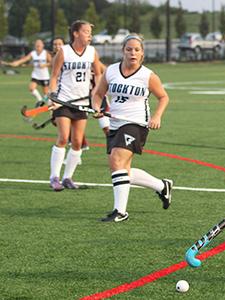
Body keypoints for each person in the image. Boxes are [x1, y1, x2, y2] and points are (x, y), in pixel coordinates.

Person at [92, 34, 172, 222]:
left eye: (137, 50)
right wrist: (97, 108)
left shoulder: (148, 75)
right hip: (115, 124)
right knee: (120, 169)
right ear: (123, 51)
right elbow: (98, 94)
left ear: (142, 53)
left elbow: (164, 97)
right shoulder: (111, 71)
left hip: (136, 124)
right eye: (129, 49)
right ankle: (162, 186)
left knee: (117, 160)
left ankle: (120, 212)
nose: (133, 53)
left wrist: (157, 116)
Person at [48, 20, 102, 191]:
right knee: (64, 137)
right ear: (76, 33)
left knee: (78, 142)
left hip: (81, 102)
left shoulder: (92, 52)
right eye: (86, 31)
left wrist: (96, 97)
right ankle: (54, 177)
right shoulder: (64, 51)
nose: (89, 35)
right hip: (63, 101)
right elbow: (54, 77)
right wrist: (53, 97)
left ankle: (67, 178)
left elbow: (99, 75)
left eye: (90, 32)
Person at [3, 39, 52, 107]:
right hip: (36, 75)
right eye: (36, 43)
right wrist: (16, 63)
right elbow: (25, 59)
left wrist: (44, 65)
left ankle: (50, 106)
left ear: (43, 45)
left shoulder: (46, 53)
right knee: (31, 88)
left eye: (39, 43)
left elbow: (52, 62)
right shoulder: (33, 53)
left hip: (44, 76)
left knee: (46, 94)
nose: (38, 45)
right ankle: (39, 100)